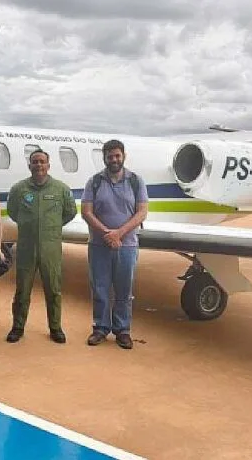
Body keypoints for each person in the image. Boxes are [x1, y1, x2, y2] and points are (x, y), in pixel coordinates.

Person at [80, 139, 149, 349]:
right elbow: (86, 211)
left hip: (126, 245)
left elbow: (142, 212)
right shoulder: (95, 182)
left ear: (124, 156)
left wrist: (119, 233)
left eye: (117, 156)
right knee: (99, 288)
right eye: (110, 156)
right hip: (99, 245)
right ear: (104, 158)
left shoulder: (136, 181)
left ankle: (123, 330)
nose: (114, 160)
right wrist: (106, 233)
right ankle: (100, 328)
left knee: (123, 290)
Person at [6, 149, 77, 344]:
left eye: (42, 162)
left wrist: (51, 227)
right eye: (35, 162)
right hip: (26, 247)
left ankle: (55, 327)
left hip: (50, 248)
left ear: (48, 165)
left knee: (53, 289)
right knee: (22, 289)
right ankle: (17, 326)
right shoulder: (19, 189)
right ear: (30, 166)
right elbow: (13, 211)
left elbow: (70, 212)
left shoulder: (60, 189)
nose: (39, 165)